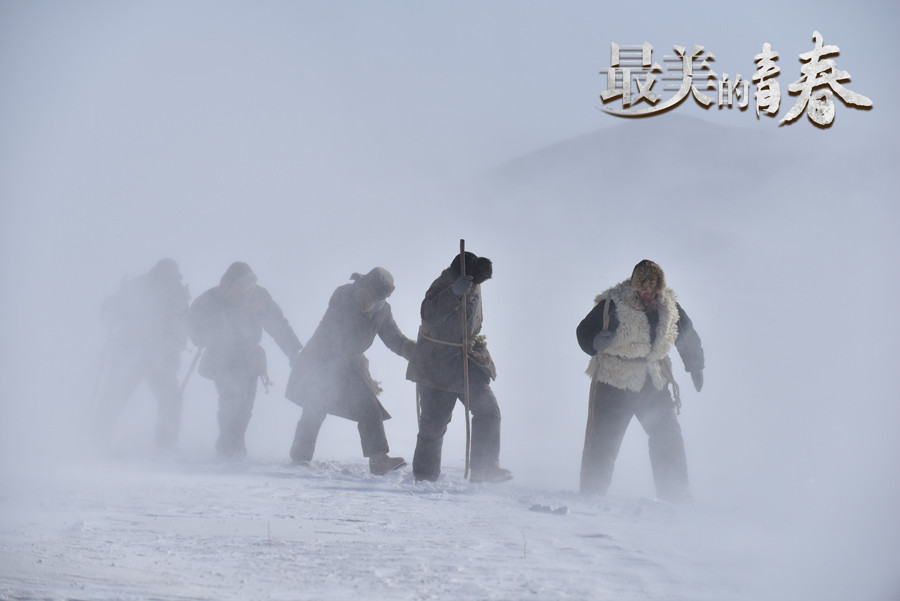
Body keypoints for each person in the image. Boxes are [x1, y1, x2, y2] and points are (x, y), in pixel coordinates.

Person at [576, 259, 705, 502]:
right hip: (614, 379)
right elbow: (583, 331)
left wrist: (695, 365)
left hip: (653, 381)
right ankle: (592, 495)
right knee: (603, 440)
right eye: (642, 292)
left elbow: (685, 334)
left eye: (651, 293)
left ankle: (675, 494)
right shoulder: (612, 304)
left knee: (667, 435)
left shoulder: (669, 307)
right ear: (634, 287)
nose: (647, 297)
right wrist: (594, 342)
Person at [285, 268, 414, 475]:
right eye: (374, 292)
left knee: (370, 407)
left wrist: (410, 349)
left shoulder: (383, 310)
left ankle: (378, 459)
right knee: (315, 404)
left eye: (382, 295)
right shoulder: (344, 294)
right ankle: (300, 456)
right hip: (322, 358)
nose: (377, 298)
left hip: (352, 364)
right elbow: (339, 323)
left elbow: (393, 338)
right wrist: (360, 300)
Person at [406, 251, 512, 483]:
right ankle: (425, 476)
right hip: (436, 363)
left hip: (465, 362)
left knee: (488, 410)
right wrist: (453, 293)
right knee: (434, 423)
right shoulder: (443, 284)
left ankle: (483, 469)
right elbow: (428, 315)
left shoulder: (473, 284)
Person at [189, 262, 303, 461]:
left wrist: (293, 352)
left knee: (245, 405)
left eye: (250, 284)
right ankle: (228, 448)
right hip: (221, 356)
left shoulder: (259, 297)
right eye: (242, 285)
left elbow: (278, 326)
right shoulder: (210, 300)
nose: (247, 290)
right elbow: (193, 328)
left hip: (249, 357)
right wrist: (206, 334)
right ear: (229, 284)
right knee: (230, 401)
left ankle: (235, 446)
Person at [92, 258, 190, 450]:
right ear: (157, 274)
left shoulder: (178, 293)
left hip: (162, 355)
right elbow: (109, 312)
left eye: (173, 277)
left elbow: (182, 323)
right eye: (166, 277)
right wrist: (112, 312)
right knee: (115, 396)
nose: (169, 280)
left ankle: (166, 446)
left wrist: (177, 344)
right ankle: (96, 440)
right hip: (131, 352)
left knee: (171, 399)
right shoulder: (137, 287)